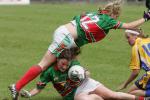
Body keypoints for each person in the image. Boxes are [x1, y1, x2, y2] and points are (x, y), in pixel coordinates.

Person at [8, 0, 150, 99]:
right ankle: (18, 86)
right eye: (116, 16)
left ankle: (80, 88)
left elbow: (78, 24)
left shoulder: (93, 14)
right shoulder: (108, 20)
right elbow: (129, 25)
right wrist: (146, 17)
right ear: (113, 14)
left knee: (70, 62)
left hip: (65, 33)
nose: (116, 19)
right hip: (66, 37)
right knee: (44, 64)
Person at [20, 64, 150, 100]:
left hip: (86, 83)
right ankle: (98, 97)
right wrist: (30, 95)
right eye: (63, 64)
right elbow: (39, 88)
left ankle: (142, 99)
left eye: (67, 65)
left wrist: (83, 74)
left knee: (113, 95)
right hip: (74, 94)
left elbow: (87, 73)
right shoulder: (49, 72)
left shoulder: (73, 64)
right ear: (58, 60)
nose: (64, 67)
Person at [118, 28, 150, 97]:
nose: (127, 40)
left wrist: (125, 84)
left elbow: (135, 72)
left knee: (130, 93)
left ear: (136, 36)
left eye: (128, 37)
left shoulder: (136, 47)